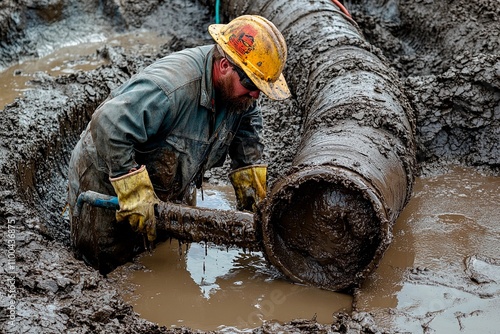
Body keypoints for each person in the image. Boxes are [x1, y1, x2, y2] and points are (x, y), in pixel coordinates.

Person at [67, 15, 291, 275]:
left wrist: (254, 198)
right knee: (104, 266)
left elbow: (248, 137)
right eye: (252, 84)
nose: (255, 95)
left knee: (163, 262)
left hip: (165, 175)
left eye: (261, 88)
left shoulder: (241, 97)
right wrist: (133, 191)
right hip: (107, 177)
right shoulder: (172, 89)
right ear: (223, 65)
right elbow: (108, 124)